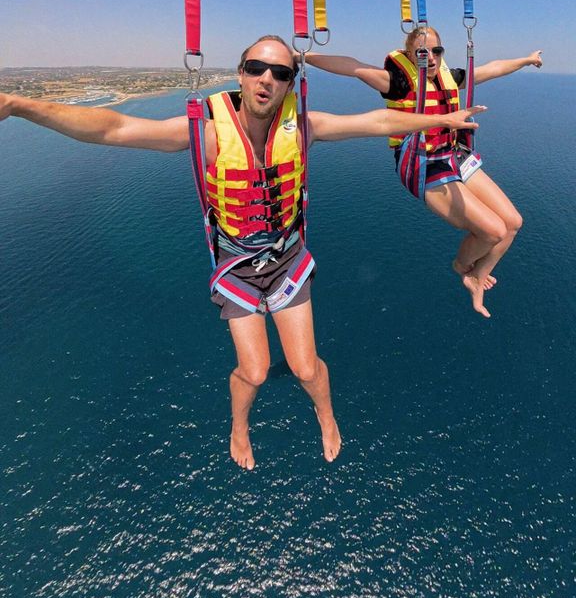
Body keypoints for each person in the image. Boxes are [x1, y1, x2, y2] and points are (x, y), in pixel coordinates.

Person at [0, 35, 484, 470]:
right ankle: (239, 425)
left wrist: (441, 117)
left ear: (290, 84)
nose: (267, 79)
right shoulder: (207, 133)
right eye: (257, 68)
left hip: (287, 257)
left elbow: (377, 119)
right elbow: (113, 128)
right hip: (236, 264)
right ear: (240, 73)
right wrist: (20, 105)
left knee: (306, 367)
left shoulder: (304, 127)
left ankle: (326, 413)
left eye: (281, 72)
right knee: (253, 371)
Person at [306, 30, 542, 320]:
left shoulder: (450, 78)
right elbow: (353, 66)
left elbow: (491, 69)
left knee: (513, 223)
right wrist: (303, 56)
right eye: (421, 53)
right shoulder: (398, 82)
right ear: (409, 54)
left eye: (436, 51)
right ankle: (461, 267)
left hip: (453, 154)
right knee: (493, 231)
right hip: (422, 162)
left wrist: (527, 60)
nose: (430, 58)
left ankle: (477, 276)